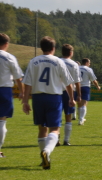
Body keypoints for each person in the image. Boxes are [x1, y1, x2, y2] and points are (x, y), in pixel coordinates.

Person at [22, 36, 75, 170]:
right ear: (53, 48)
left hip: (38, 97)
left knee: (42, 128)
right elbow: (68, 82)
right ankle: (47, 151)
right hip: (54, 98)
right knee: (55, 129)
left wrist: (25, 100)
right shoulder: (58, 61)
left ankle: (43, 157)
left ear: (41, 48)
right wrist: (71, 98)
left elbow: (27, 82)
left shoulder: (33, 61)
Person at [0, 33, 24, 158]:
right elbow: (18, 78)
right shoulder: (9, 57)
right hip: (4, 90)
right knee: (2, 121)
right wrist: (22, 92)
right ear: (6, 44)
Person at [59, 44, 82, 146]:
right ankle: (66, 140)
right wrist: (79, 95)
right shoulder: (74, 64)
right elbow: (77, 81)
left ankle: (56, 139)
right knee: (68, 117)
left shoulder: (57, 61)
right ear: (71, 53)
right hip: (69, 93)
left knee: (57, 117)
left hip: (57, 91)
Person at [78, 58, 101, 126]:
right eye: (89, 63)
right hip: (85, 87)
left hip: (77, 87)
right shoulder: (89, 69)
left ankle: (80, 118)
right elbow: (94, 80)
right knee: (84, 104)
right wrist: (97, 86)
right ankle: (81, 119)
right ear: (87, 63)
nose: (90, 64)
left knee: (79, 104)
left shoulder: (77, 68)